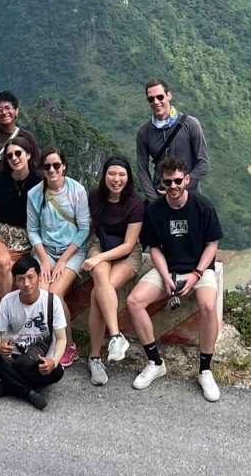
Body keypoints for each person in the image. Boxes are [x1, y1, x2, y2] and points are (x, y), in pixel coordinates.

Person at [126, 156, 223, 401]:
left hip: (198, 269)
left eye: (178, 181)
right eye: (168, 182)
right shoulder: (155, 210)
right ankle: (155, 362)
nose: (173, 186)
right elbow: (154, 247)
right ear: (162, 183)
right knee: (134, 301)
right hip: (167, 269)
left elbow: (212, 244)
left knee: (209, 305)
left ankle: (205, 369)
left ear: (187, 179)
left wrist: (196, 274)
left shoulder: (203, 206)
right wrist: (165, 275)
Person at [82, 156, 145, 386]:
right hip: (99, 244)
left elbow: (128, 245)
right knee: (100, 276)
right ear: (104, 175)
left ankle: (95, 357)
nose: (116, 179)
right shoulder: (95, 197)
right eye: (112, 174)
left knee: (97, 293)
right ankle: (116, 336)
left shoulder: (135, 205)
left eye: (121, 175)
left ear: (128, 178)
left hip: (127, 254)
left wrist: (99, 257)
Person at [26, 147, 90, 367]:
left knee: (54, 294)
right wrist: (44, 260)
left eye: (56, 165)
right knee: (40, 292)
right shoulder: (34, 194)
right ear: (42, 169)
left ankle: (69, 346)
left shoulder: (77, 190)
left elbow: (83, 228)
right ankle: (44, 341)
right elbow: (32, 230)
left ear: (64, 166)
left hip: (72, 251)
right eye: (47, 166)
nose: (52, 170)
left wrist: (62, 260)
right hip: (46, 250)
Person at [0, 255, 67, 410]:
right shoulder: (8, 301)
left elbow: (61, 338)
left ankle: (8, 384)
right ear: (15, 280)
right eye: (21, 279)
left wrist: (54, 360)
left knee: (57, 371)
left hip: (38, 358)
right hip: (13, 354)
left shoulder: (52, 301)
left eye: (31, 277)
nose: (26, 284)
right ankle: (28, 392)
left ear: (39, 277)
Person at [0, 139, 41, 315]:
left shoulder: (38, 182)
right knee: (3, 261)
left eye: (18, 153)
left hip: (23, 238)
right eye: (10, 155)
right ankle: (8, 317)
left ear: (28, 154)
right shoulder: (0, 180)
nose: (14, 158)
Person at [135, 79, 209, 201]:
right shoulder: (144, 132)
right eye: (151, 99)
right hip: (160, 198)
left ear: (168, 95)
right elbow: (142, 171)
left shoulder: (190, 124)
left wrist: (180, 187)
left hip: (189, 198)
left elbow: (204, 164)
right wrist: (154, 201)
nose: (156, 102)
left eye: (160, 97)